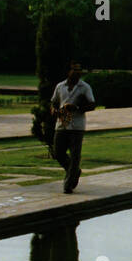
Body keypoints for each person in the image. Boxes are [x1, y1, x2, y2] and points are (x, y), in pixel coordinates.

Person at [51, 61, 96, 194]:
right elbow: (53, 102)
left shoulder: (85, 87)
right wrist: (54, 110)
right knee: (58, 153)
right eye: (74, 70)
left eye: (79, 70)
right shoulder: (60, 86)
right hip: (62, 124)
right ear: (68, 72)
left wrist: (76, 107)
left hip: (77, 125)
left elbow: (92, 104)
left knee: (75, 155)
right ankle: (75, 171)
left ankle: (68, 184)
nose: (77, 72)